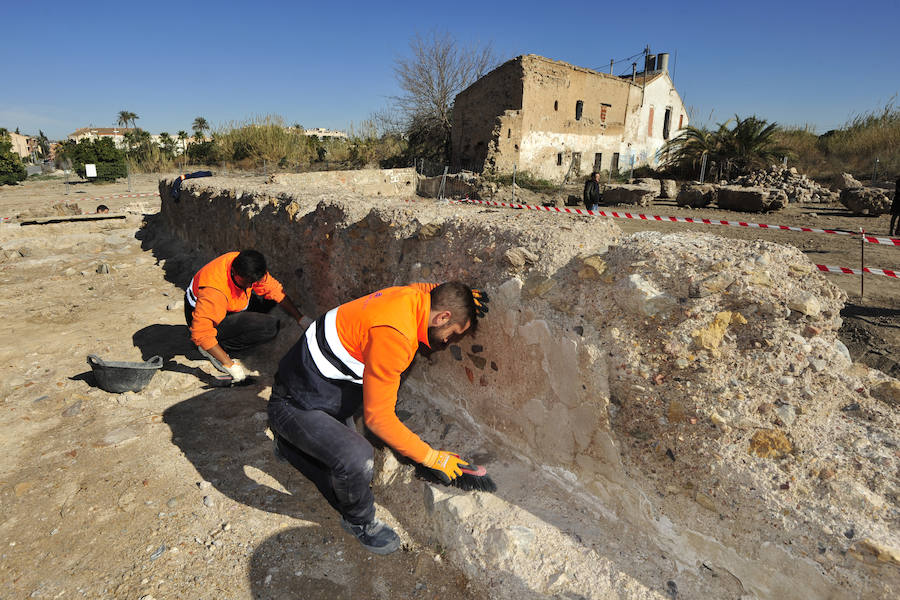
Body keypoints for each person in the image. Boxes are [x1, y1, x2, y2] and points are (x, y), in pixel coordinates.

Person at [268, 281, 488, 554]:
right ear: (442, 317)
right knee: (356, 460)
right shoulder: (396, 337)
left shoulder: (412, 297)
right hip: (293, 402)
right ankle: (359, 521)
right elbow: (378, 419)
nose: (446, 341)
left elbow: (429, 287)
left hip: (313, 381)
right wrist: (431, 457)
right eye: (452, 332)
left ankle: (294, 440)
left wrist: (462, 298)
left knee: (347, 439)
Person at [185, 250, 305, 382]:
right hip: (205, 315)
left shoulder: (245, 264)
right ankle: (214, 348)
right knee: (267, 327)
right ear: (235, 273)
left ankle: (220, 343)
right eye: (247, 282)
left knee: (269, 302)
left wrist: (301, 319)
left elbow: (274, 290)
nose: (251, 285)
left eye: (253, 282)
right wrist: (230, 365)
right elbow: (201, 334)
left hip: (231, 304)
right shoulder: (214, 292)